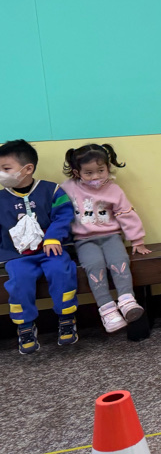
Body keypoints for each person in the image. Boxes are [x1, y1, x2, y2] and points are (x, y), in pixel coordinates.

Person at [61, 144, 150, 334]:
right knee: (94, 265)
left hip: (111, 237)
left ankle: (127, 301)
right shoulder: (67, 188)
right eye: (89, 173)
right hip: (84, 240)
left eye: (100, 171)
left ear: (108, 168)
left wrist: (137, 240)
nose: (96, 177)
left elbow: (126, 214)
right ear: (77, 172)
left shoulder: (113, 189)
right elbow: (58, 212)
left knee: (119, 260)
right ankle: (107, 310)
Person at [0, 139, 78, 354]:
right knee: (19, 281)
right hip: (17, 255)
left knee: (61, 271)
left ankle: (67, 317)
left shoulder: (52, 190)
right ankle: (25, 326)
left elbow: (64, 216)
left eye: (6, 168)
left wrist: (53, 237)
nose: (1, 174)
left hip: (51, 250)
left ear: (27, 169)